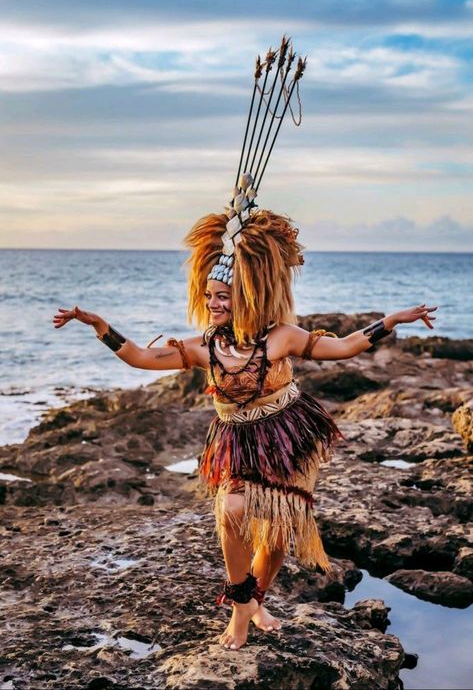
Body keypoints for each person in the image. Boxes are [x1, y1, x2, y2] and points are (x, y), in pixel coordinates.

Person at [52, 37, 438, 651]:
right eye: (210, 296)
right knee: (232, 513)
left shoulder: (279, 337)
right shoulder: (203, 345)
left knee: (280, 531)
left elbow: (339, 349)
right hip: (234, 432)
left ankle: (257, 603)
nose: (217, 303)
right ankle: (239, 609)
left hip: (288, 427)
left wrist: (388, 320)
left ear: (251, 293)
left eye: (226, 296)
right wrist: (99, 325)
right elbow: (139, 358)